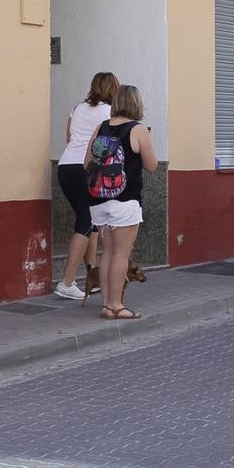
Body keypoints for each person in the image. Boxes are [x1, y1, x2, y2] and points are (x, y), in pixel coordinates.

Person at [85, 84, 158, 320]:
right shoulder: (137, 130)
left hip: (99, 200)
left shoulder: (101, 127)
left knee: (106, 253)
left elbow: (87, 163)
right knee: (121, 254)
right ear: (136, 104)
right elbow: (152, 165)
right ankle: (117, 306)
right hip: (125, 200)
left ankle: (106, 305)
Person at [54, 72, 116, 300]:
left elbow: (69, 137)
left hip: (65, 165)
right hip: (85, 168)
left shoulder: (78, 108)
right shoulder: (109, 111)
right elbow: (107, 144)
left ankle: (92, 274)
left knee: (92, 221)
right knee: (86, 221)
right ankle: (67, 282)